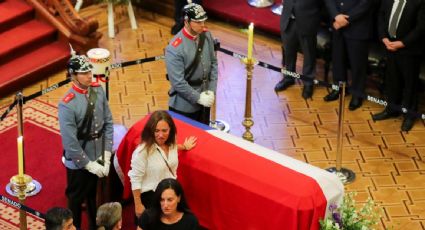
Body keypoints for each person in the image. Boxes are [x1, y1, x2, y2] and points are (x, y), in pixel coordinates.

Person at [58, 51, 114, 230]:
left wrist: (105, 154)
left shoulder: (98, 90)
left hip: (98, 154)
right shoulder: (67, 103)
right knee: (75, 199)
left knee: (94, 198)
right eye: (84, 73)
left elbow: (108, 123)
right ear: (73, 75)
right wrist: (88, 164)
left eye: (90, 71)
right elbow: (70, 143)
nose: (89, 75)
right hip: (79, 160)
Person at [128, 110, 197, 219]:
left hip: (170, 193)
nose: (161, 135)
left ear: (170, 130)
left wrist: (184, 146)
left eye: (164, 130)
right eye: (156, 131)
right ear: (151, 131)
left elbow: (172, 148)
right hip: (151, 197)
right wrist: (138, 205)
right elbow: (135, 178)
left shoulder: (172, 143)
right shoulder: (142, 151)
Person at [372, 0, 425, 131]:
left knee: (409, 84)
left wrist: (403, 43)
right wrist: (383, 37)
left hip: (409, 49)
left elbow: (421, 27)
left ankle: (409, 115)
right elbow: (381, 17)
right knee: (392, 80)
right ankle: (392, 109)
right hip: (389, 47)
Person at [166, 2, 218, 125]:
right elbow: (178, 82)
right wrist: (198, 98)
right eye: (198, 22)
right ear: (186, 21)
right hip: (184, 106)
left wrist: (211, 90)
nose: (203, 25)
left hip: (205, 100)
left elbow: (214, 63)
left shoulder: (206, 35)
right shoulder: (175, 48)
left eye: (204, 21)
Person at [323, 0, 375, 110]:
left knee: (358, 65)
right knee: (338, 60)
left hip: (358, 27)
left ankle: (357, 94)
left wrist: (346, 20)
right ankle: (339, 87)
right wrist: (336, 15)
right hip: (338, 26)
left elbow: (366, 4)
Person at [274, 0, 323, 99]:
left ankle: (308, 82)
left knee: (309, 53)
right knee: (289, 51)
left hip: (308, 20)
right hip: (288, 18)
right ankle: (288, 77)